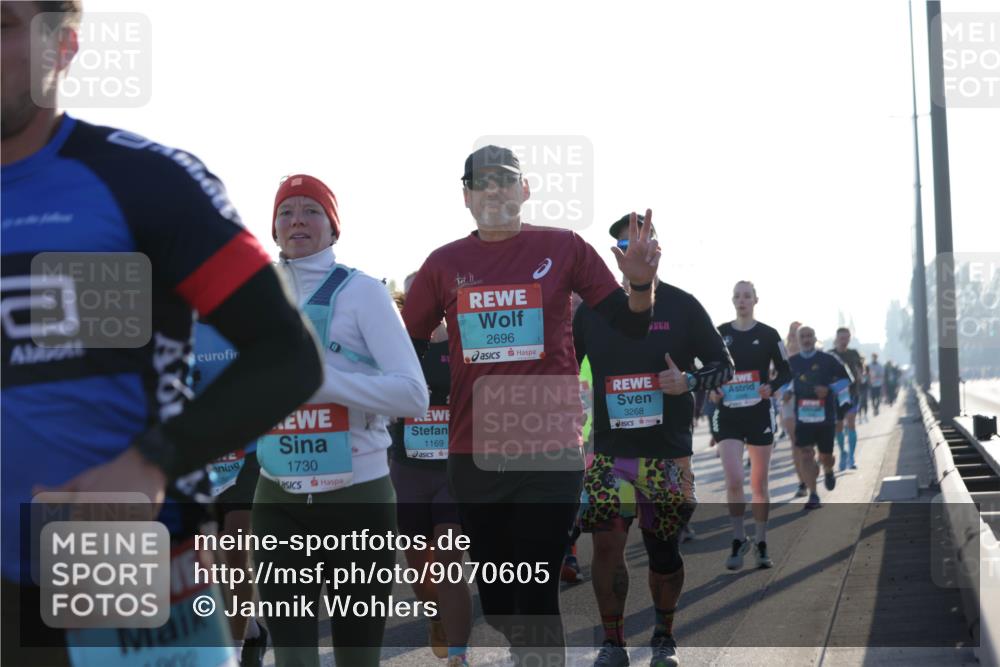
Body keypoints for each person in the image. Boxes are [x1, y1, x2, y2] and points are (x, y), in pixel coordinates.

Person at [1, 3, 323, 666]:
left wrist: (150, 460)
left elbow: (285, 354)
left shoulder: (143, 181)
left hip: (114, 561)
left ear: (62, 46)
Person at [402, 146, 660, 666]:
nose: (495, 190)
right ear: (468, 197)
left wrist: (640, 282)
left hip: (550, 450)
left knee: (537, 591)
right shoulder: (443, 264)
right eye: (484, 182)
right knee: (500, 601)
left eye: (507, 180)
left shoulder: (564, 247)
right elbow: (404, 346)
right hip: (475, 454)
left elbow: (630, 323)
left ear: (525, 190)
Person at [251, 174, 429, 667]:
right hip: (276, 499)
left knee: (356, 655)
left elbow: (413, 395)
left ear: (333, 227)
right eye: (286, 212)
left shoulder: (363, 292)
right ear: (273, 228)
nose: (297, 220)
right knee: (291, 656)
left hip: (358, 499)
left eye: (311, 210)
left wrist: (322, 380)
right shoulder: (255, 294)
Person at [574, 213, 733, 667]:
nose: (638, 249)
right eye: (628, 243)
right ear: (617, 255)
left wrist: (687, 380)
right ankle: (612, 643)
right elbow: (563, 366)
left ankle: (664, 636)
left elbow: (724, 367)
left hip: (666, 453)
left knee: (663, 548)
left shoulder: (684, 307)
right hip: (609, 452)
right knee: (606, 543)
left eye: (646, 241)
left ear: (659, 250)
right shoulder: (591, 312)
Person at [388, 273, 472, 667]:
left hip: (453, 471)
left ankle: (459, 654)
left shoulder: (463, 341)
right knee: (420, 568)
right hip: (407, 472)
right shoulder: (394, 345)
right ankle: (435, 615)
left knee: (451, 557)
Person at [191, 322, 269, 667]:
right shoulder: (177, 326)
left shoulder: (245, 319)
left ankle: (234, 652)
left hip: (247, 451)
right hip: (198, 455)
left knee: (236, 545)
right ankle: (249, 629)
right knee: (202, 555)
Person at [711, 281, 790, 571]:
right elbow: (706, 367)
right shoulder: (720, 333)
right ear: (732, 300)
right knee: (733, 479)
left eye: (747, 296)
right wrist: (711, 389)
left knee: (758, 482)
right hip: (728, 413)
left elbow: (786, 370)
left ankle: (761, 540)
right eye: (737, 296)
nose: (742, 300)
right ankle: (737, 537)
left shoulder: (768, 334)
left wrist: (772, 386)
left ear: (756, 300)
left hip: (758, 413)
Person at [787, 327, 852, 509]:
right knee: (806, 454)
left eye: (809, 336)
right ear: (798, 340)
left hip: (825, 418)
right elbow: (784, 382)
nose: (806, 339)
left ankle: (829, 469)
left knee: (826, 456)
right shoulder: (792, 362)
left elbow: (847, 380)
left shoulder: (828, 359)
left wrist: (829, 389)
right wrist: (786, 392)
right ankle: (813, 495)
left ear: (815, 338)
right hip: (803, 418)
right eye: (803, 337)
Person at [829, 328, 864, 471]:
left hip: (852, 393)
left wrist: (860, 375)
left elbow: (861, 371)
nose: (844, 340)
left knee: (851, 422)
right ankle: (843, 452)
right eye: (842, 338)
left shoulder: (854, 354)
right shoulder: (830, 355)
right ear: (837, 338)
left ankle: (851, 457)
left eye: (847, 338)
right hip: (835, 395)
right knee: (838, 426)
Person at [781, 322, 808, 497]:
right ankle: (802, 483)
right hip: (788, 401)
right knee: (796, 442)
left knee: (808, 444)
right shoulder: (782, 352)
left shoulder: (810, 353)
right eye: (791, 331)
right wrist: (782, 392)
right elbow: (775, 376)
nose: (793, 335)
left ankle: (811, 471)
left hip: (809, 402)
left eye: (797, 332)